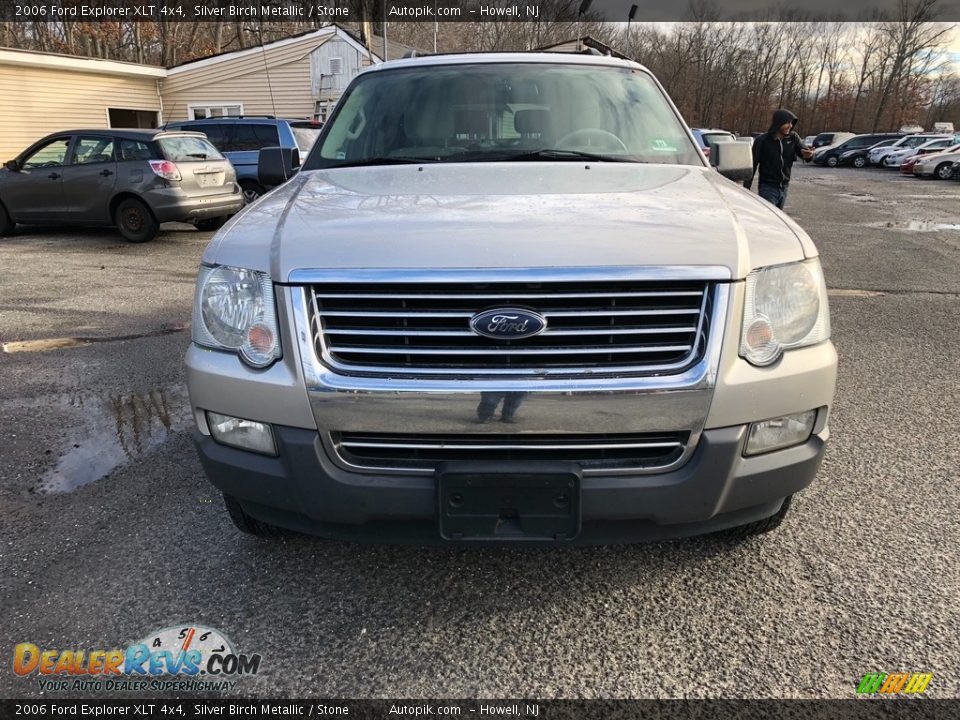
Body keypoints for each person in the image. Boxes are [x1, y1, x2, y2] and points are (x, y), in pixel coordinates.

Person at [744, 109, 813, 209]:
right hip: (767, 188)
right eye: (787, 123)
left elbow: (805, 153)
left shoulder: (793, 137)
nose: (790, 126)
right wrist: (746, 189)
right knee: (768, 219)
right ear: (778, 123)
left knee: (778, 218)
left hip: (784, 187)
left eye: (791, 123)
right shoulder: (762, 141)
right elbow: (752, 164)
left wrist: (809, 155)